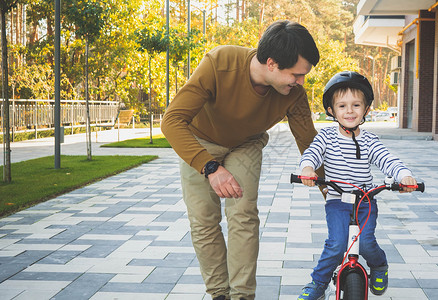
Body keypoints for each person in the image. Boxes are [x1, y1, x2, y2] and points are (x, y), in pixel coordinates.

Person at [161, 20, 322, 300]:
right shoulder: (220, 63)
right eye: (296, 75)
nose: (301, 82)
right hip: (199, 141)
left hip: (246, 143)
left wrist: (331, 188)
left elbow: (308, 141)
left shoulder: (293, 93)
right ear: (271, 63)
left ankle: (242, 296)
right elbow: (172, 121)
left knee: (243, 215)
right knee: (203, 220)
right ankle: (219, 294)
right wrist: (211, 168)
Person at [297, 71, 417, 300]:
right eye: (342, 106)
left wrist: (404, 175)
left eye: (356, 105)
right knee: (337, 244)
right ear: (331, 110)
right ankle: (318, 283)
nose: (349, 111)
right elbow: (312, 153)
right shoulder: (326, 137)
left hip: (365, 201)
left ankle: (379, 265)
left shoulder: (370, 140)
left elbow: (387, 159)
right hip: (337, 201)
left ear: (366, 109)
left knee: (366, 243)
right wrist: (307, 169)